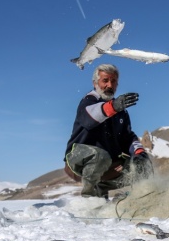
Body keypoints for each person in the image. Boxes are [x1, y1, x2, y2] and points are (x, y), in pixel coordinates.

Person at [64, 64, 152, 198]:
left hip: (107, 164)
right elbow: (90, 118)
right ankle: (89, 200)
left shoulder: (121, 112)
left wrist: (139, 153)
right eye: (105, 80)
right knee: (100, 156)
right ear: (95, 83)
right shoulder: (88, 101)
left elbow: (127, 138)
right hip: (77, 160)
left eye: (113, 81)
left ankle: (140, 199)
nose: (109, 85)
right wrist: (114, 107)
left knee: (141, 165)